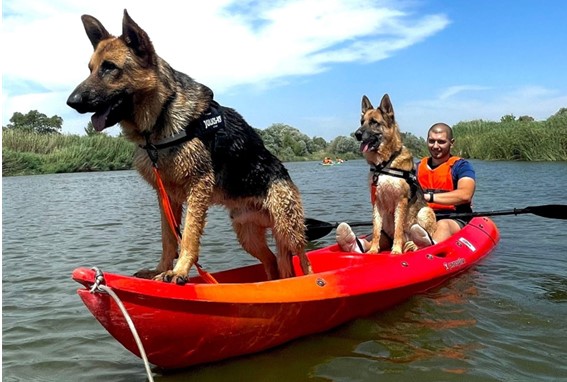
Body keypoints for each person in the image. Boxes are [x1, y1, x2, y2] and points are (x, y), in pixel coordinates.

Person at [337, 122, 476, 253]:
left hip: (451, 217)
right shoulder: (416, 167)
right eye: (431, 141)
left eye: (441, 142)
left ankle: (428, 248)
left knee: (443, 225)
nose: (435, 146)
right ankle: (359, 245)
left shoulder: (461, 166)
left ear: (451, 143)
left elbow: (465, 195)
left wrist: (428, 197)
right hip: (418, 217)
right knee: (389, 230)